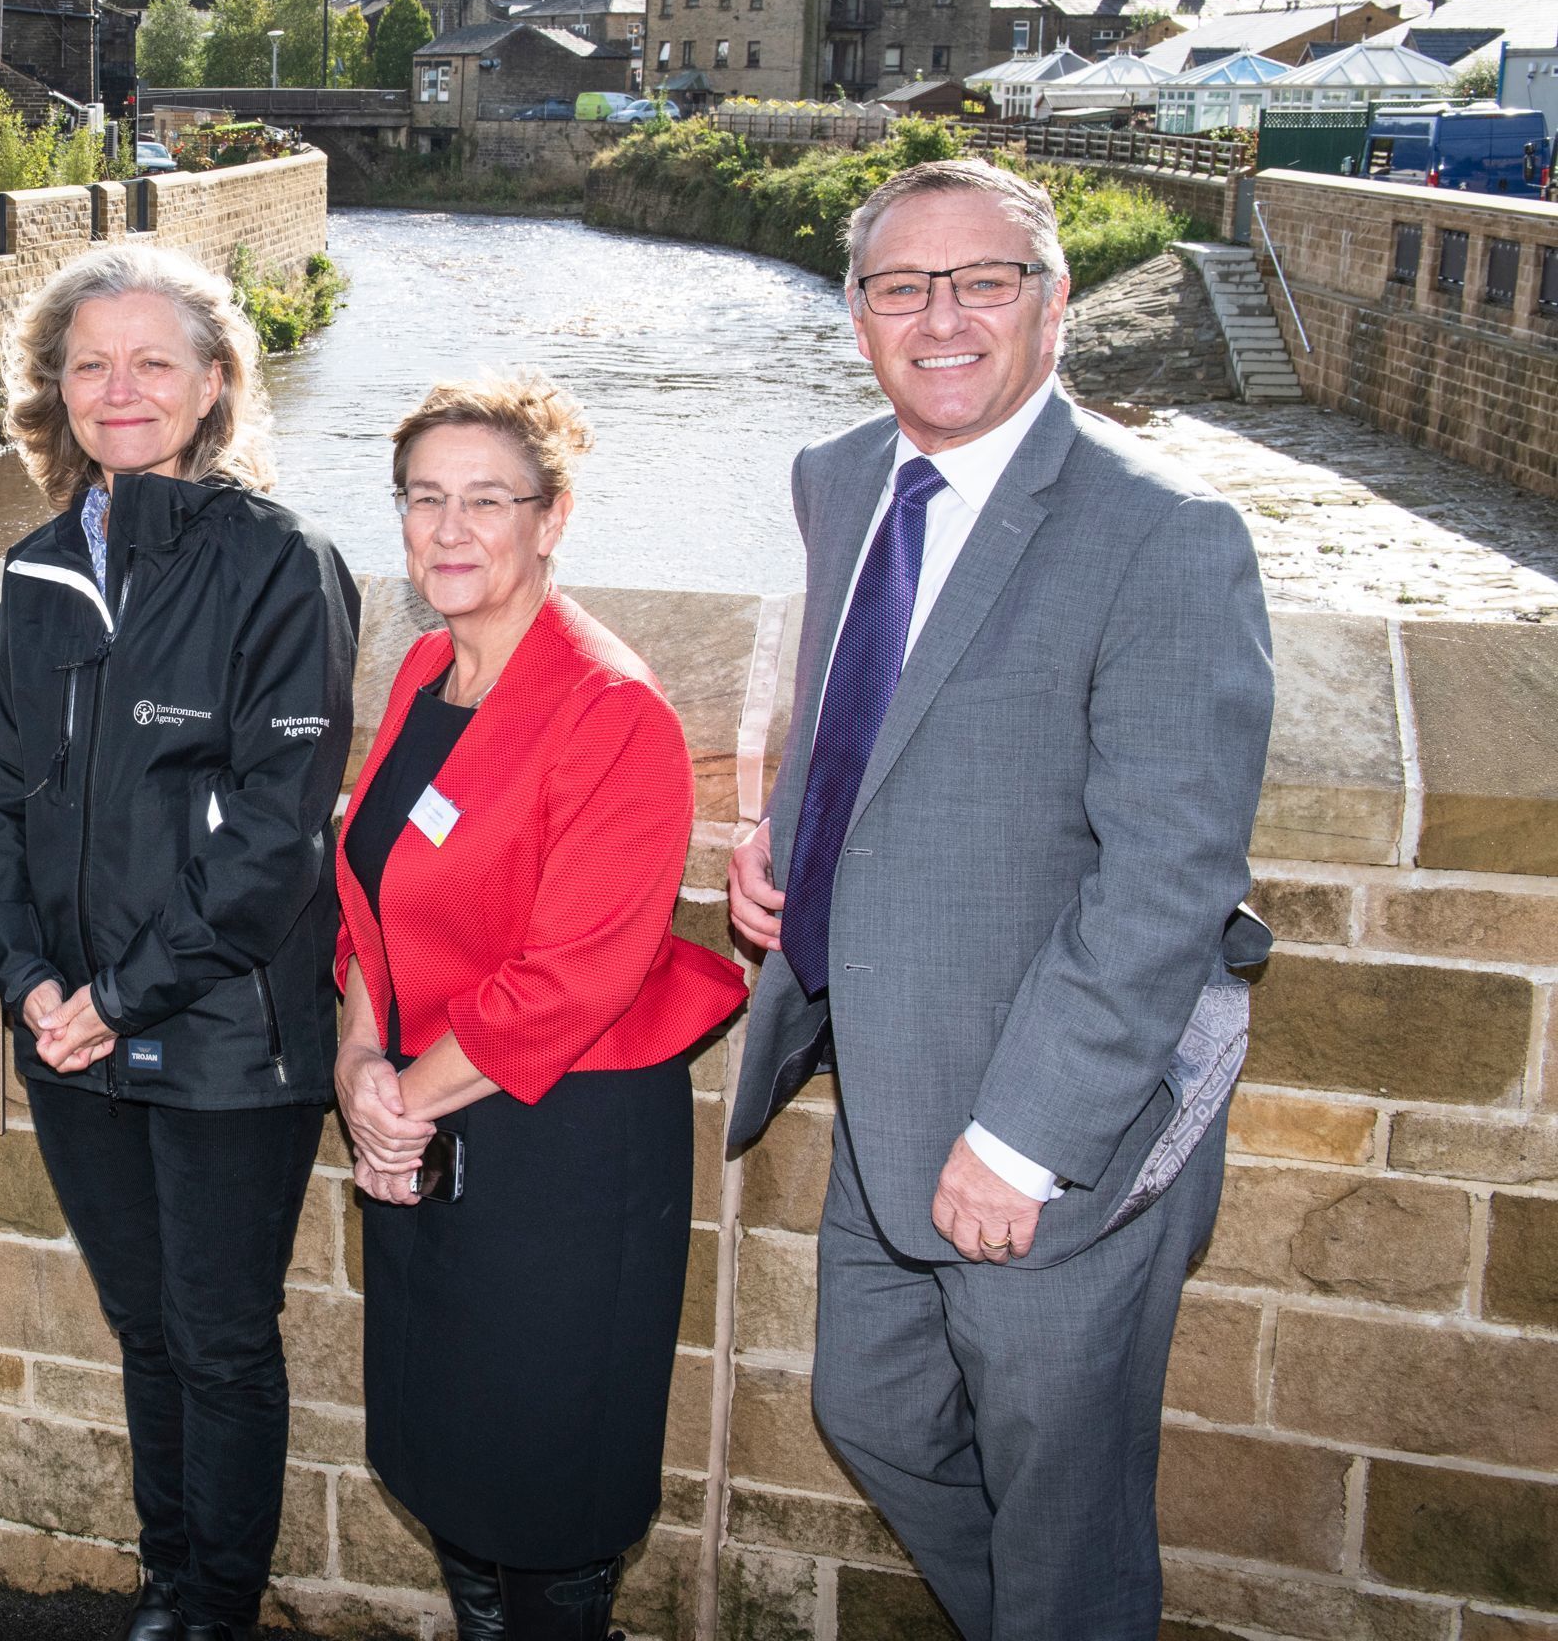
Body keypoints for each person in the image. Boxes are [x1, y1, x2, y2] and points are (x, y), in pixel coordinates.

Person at [724, 158, 1275, 1640]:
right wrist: (791, 840)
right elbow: (883, 718)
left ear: (1056, 303)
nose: (942, 316)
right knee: (877, 1411)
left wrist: (1025, 1141)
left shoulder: (1164, 534)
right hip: (884, 1080)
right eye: (902, 285)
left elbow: (1169, 878)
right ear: (856, 316)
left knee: (1063, 1501)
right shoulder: (840, 480)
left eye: (985, 280)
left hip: (1050, 1133)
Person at [0, 246, 361, 1641]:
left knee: (222, 1345)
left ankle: (217, 1612)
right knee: (143, 1331)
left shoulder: (280, 565)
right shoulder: (41, 566)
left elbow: (276, 844)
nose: (118, 390)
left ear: (215, 385)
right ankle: (167, 1582)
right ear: (53, 391)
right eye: (88, 364)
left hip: (228, 1033)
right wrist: (34, 982)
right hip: (74, 1030)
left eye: (153, 362)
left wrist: (119, 995)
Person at [333, 376, 746, 1641]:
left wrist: (395, 1100)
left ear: (552, 517)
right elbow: (371, 896)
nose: (451, 530)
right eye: (425, 499)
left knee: (549, 1472)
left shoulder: (611, 712)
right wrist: (358, 1058)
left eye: (489, 500)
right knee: (447, 1443)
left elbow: (577, 972)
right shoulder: (421, 671)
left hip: (559, 1151)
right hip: (423, 1124)